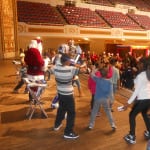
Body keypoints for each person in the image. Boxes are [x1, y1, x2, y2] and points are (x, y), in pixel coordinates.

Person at [51, 53, 79, 139]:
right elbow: (85, 70)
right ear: (67, 61)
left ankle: (57, 125)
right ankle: (68, 132)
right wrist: (76, 65)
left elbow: (48, 71)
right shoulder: (71, 69)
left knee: (61, 109)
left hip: (60, 93)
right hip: (68, 95)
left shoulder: (55, 68)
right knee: (71, 113)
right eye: (69, 60)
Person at [123, 57, 150, 144]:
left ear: (142, 64)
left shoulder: (141, 76)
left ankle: (132, 136)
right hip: (148, 100)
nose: (137, 64)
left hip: (141, 100)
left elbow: (136, 92)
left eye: (139, 63)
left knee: (132, 115)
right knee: (144, 114)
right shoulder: (147, 74)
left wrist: (128, 103)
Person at [88, 65, 116, 130]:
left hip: (97, 98)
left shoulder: (98, 79)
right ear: (107, 74)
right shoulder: (110, 82)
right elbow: (111, 93)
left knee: (94, 112)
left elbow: (91, 75)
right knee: (108, 112)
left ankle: (91, 125)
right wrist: (111, 100)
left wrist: (95, 70)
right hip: (105, 99)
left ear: (100, 74)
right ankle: (113, 124)